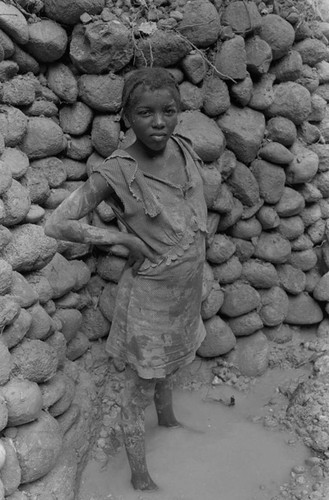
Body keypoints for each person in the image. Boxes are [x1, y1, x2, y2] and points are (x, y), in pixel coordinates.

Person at [45, 67, 208, 491]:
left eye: (168, 111)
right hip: (150, 295)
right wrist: (123, 240)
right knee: (138, 382)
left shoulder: (184, 148)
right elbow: (57, 224)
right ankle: (139, 478)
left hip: (185, 288)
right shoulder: (116, 171)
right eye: (145, 113)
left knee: (167, 367)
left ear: (179, 113)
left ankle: (169, 421)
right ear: (126, 117)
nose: (158, 123)